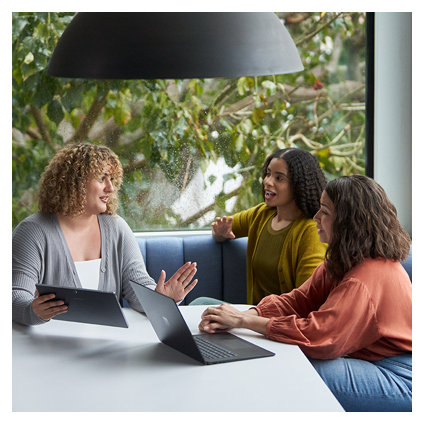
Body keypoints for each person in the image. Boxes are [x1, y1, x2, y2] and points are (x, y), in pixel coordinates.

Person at [198, 175, 412, 412]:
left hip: (399, 374)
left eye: (325, 212)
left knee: (293, 369)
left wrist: (245, 321)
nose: (316, 217)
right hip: (366, 358)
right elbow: (298, 300)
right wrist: (250, 313)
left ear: (348, 222)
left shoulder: (364, 278)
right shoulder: (343, 261)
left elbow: (320, 338)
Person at [12, 143, 198, 326]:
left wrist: (160, 298)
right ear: (74, 182)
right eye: (102, 178)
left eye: (112, 179)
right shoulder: (33, 231)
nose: (110, 188)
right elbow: (14, 296)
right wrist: (33, 311)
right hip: (46, 348)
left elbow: (137, 287)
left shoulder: (116, 228)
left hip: (106, 346)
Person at [194, 147, 327, 305]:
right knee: (200, 303)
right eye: (268, 174)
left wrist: (252, 319)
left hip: (281, 322)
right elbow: (223, 229)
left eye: (279, 178)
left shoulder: (312, 231)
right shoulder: (261, 214)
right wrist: (219, 234)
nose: (267, 181)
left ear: (299, 185)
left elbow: (306, 300)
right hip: (253, 317)